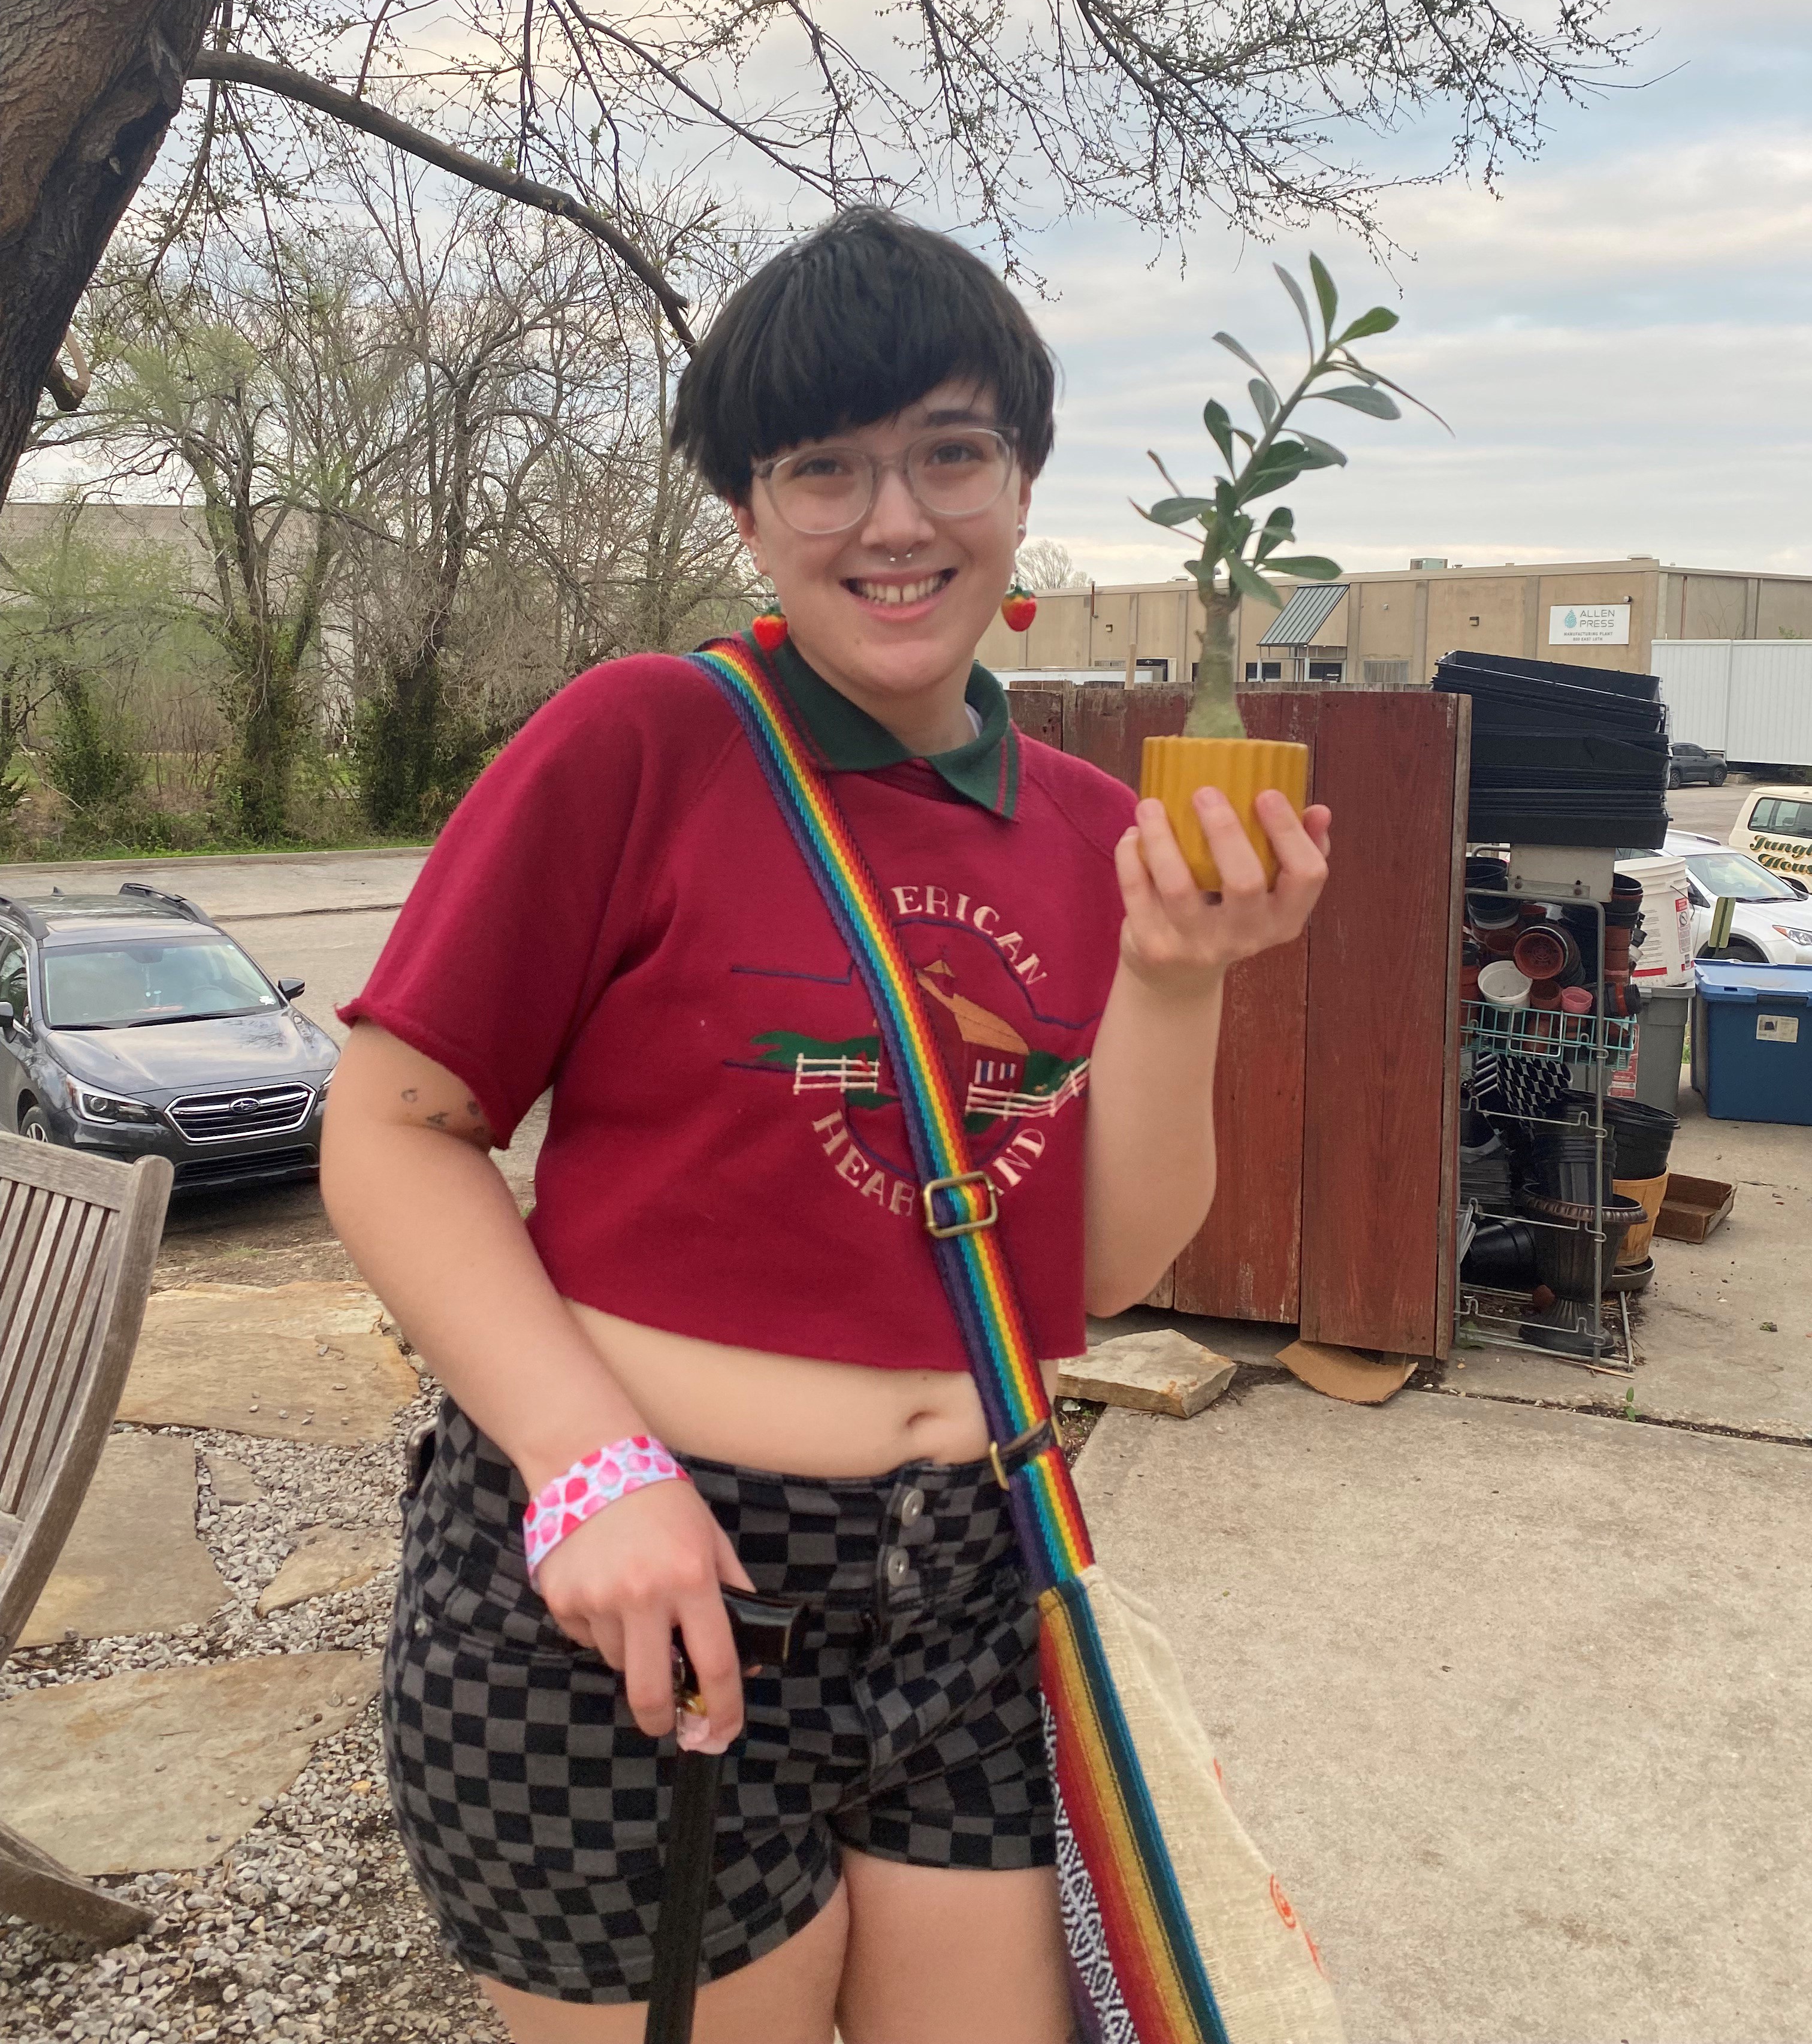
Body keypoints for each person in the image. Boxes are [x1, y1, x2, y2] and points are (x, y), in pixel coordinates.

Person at [321, 209, 1331, 2044]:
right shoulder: (642, 743)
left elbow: (1087, 1270)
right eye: (826, 469)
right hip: (639, 1590)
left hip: (968, 1587)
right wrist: (581, 1464)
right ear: (747, 511)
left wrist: (1182, 981)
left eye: (951, 452)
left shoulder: (1088, 826)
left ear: (1021, 483)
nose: (895, 520)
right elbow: (393, 1126)